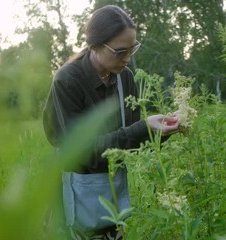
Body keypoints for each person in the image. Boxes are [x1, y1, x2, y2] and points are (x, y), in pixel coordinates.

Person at [43, 5, 179, 240]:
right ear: (95, 45)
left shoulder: (124, 78)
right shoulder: (67, 80)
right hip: (72, 196)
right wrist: (143, 127)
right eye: (120, 51)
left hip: (109, 193)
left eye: (132, 49)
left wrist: (163, 130)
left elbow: (131, 144)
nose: (127, 59)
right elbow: (81, 151)